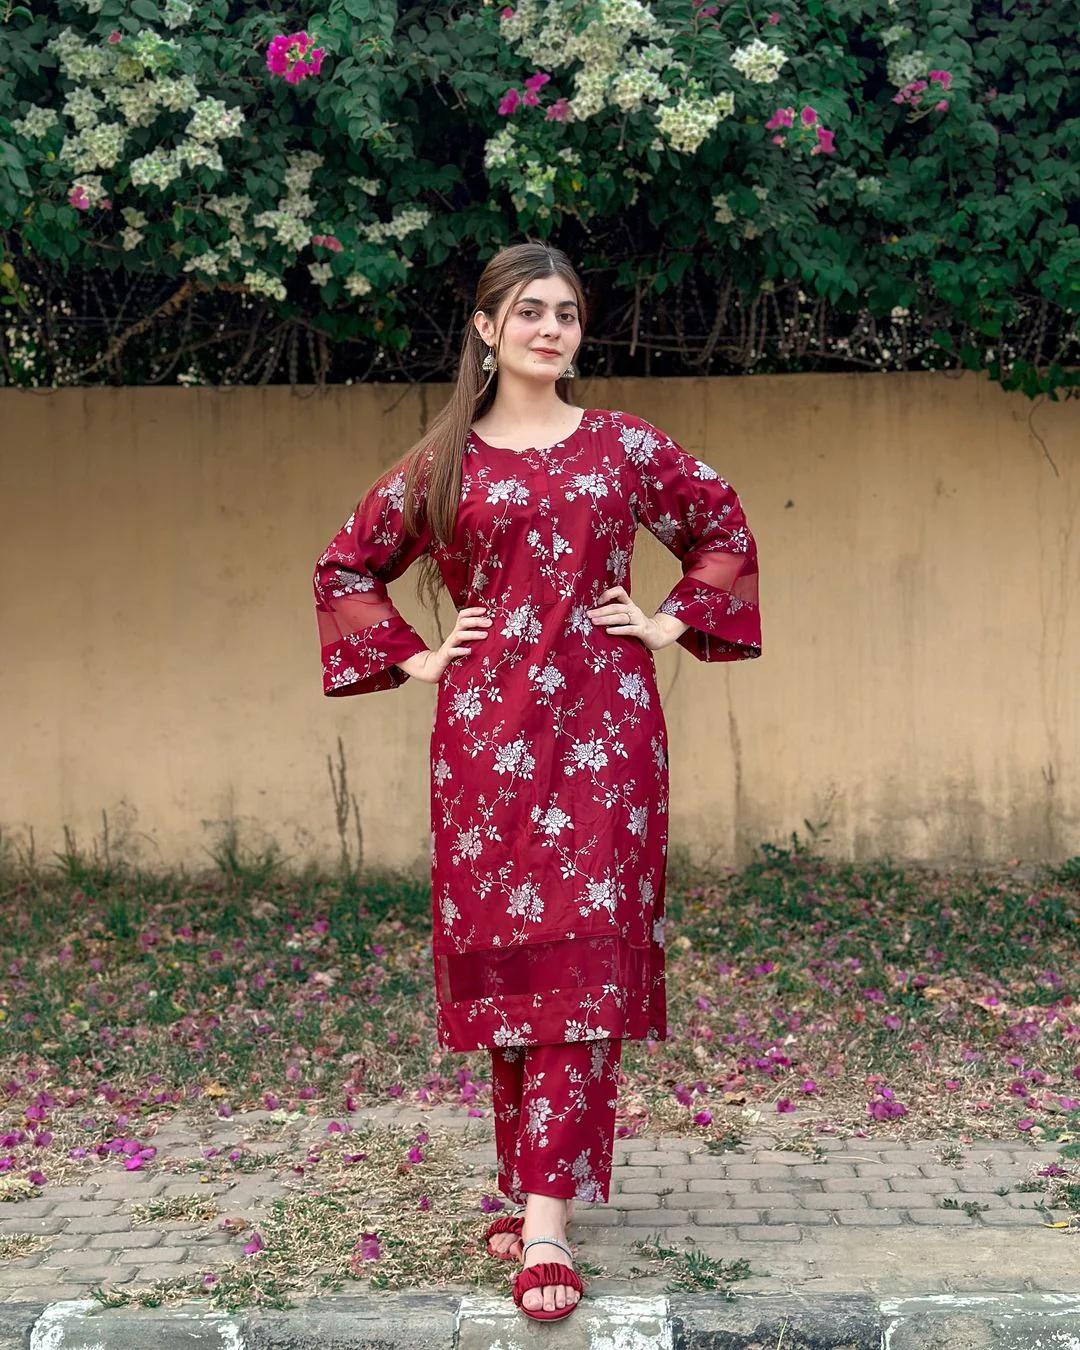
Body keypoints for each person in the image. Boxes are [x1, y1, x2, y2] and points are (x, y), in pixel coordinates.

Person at [312, 241, 761, 1321]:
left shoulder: (623, 447)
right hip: (487, 740)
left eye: (565, 313)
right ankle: (531, 1181)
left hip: (608, 736)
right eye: (529, 312)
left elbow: (721, 525)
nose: (551, 329)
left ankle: (547, 1217)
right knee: (516, 964)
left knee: (585, 960)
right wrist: (418, 657)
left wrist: (667, 621)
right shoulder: (444, 466)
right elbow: (344, 565)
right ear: (486, 328)